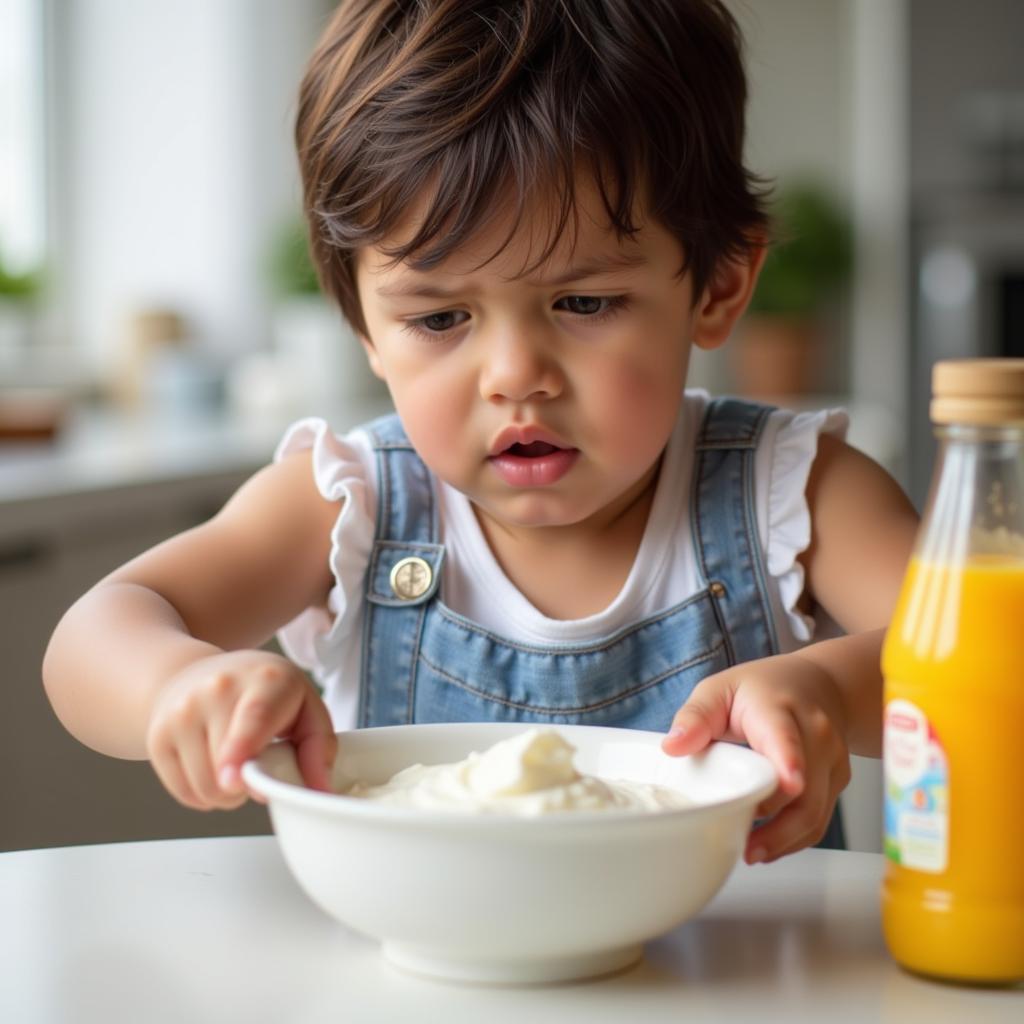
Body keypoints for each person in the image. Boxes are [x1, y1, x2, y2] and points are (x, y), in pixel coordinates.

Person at [42, 0, 919, 864]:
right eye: (438, 318)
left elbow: (998, 661)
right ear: (363, 323)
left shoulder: (793, 492)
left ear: (718, 288)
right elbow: (96, 635)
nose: (514, 376)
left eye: (583, 303)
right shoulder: (350, 502)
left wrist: (831, 694)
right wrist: (178, 686)